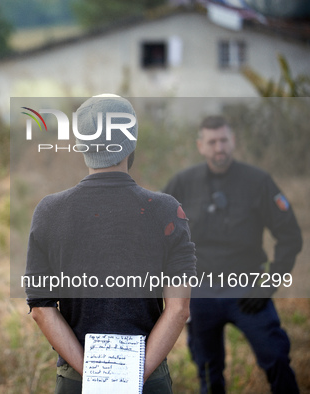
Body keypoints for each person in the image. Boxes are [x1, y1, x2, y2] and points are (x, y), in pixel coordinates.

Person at [24, 95, 197, 393]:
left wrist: (95, 376)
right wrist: (132, 377)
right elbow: (179, 308)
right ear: (132, 143)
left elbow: (41, 309)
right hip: (149, 377)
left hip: (77, 381)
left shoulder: (49, 211)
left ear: (81, 145)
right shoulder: (166, 210)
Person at [163, 115, 303, 393]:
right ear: (200, 145)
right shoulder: (182, 183)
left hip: (249, 290)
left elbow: (290, 236)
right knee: (207, 370)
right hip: (199, 292)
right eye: (212, 142)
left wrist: (269, 284)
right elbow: (159, 233)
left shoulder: (258, 181)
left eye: (224, 140)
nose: (219, 148)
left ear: (233, 141)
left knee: (276, 358)